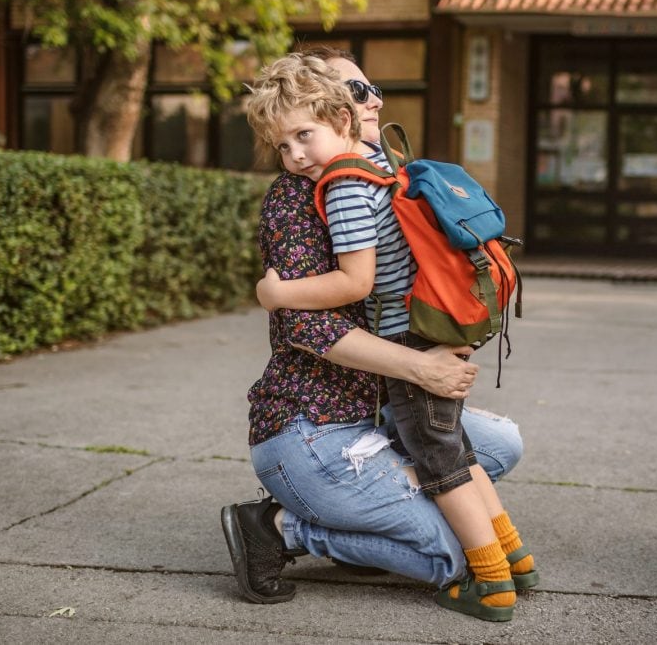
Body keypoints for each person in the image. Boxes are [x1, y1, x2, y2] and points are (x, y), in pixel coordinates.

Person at [221, 49, 534, 622]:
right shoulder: (302, 196)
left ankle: (381, 505)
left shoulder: (381, 173)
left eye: (372, 90)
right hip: (314, 426)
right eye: (360, 91)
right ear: (335, 107)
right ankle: (279, 527)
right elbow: (310, 319)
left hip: (377, 412)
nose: (375, 101)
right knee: (450, 554)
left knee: (495, 448)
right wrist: (419, 365)